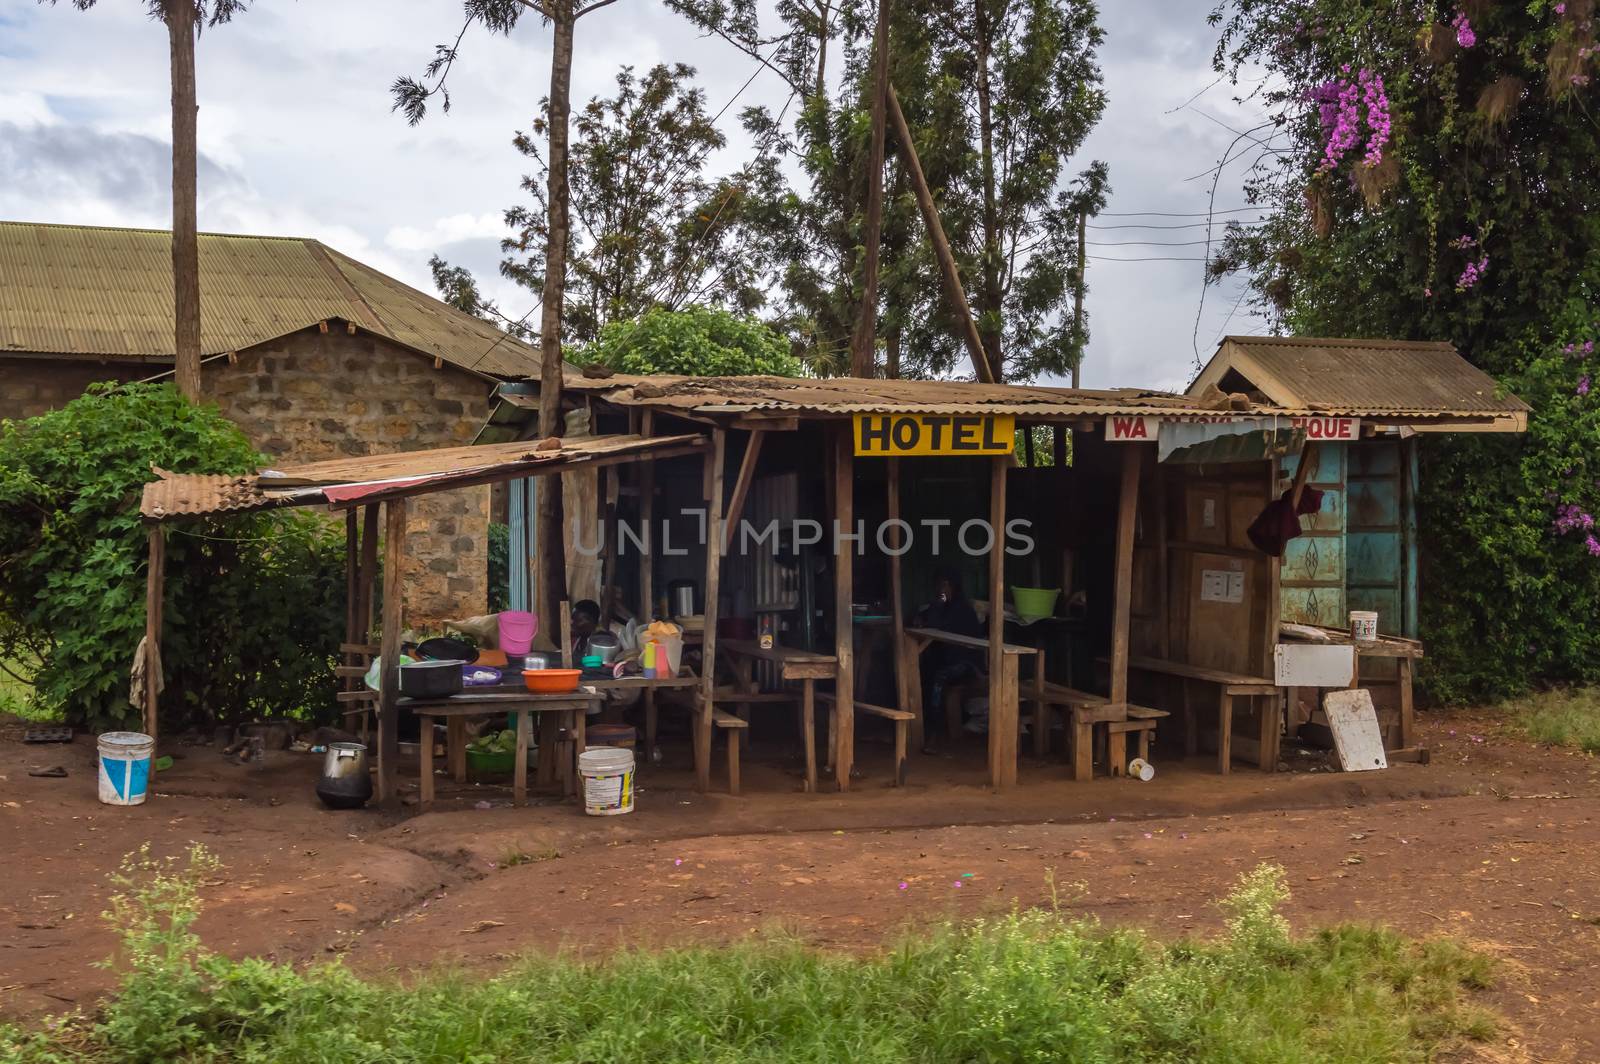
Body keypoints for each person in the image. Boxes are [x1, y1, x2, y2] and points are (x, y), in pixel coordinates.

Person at [914, 570, 984, 752]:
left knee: (937, 678)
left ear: (953, 586)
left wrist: (935, 610)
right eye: (939, 584)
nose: (941, 588)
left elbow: (937, 625)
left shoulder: (962, 609)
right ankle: (916, 729)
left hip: (967, 665)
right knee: (920, 673)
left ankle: (933, 734)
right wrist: (921, 618)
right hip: (946, 662)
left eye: (945, 584)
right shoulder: (940, 605)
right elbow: (921, 619)